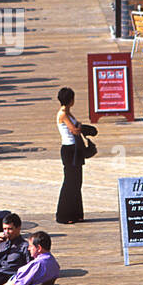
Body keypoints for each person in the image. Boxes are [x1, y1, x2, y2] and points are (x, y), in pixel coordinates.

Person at [56, 86, 85, 224]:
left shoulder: (68, 112)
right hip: (68, 149)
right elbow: (74, 130)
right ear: (70, 100)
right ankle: (63, 214)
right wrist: (79, 128)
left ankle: (76, 213)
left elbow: (77, 125)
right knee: (69, 182)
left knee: (77, 181)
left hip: (75, 149)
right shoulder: (63, 114)